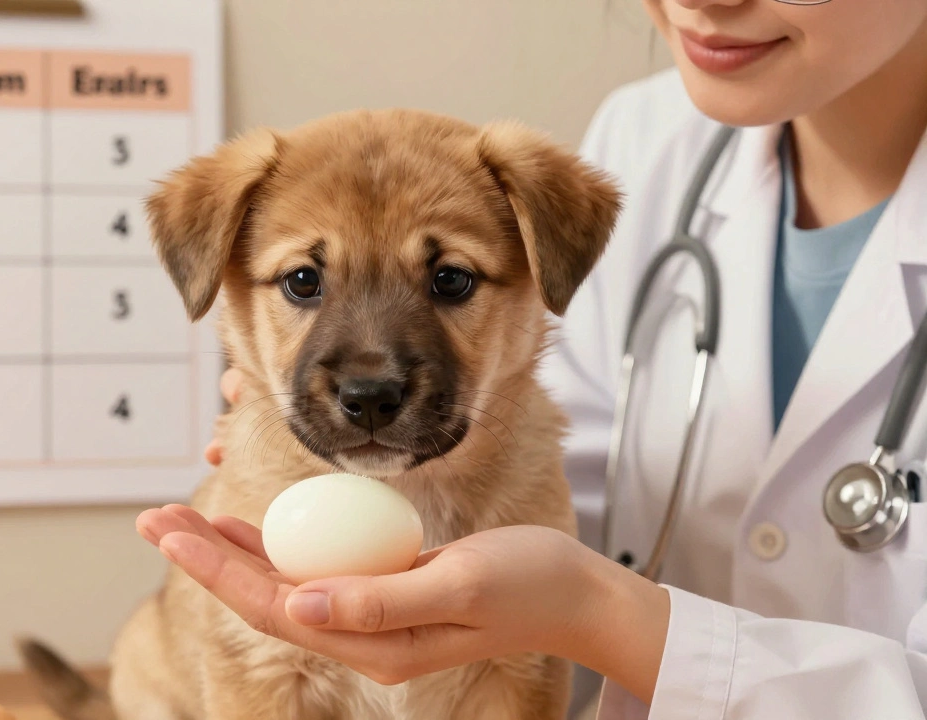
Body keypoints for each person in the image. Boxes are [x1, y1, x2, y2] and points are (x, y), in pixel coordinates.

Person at [136, 0, 927, 717]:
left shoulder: (546, 185)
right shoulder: (648, 138)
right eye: (303, 282)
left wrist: (595, 613)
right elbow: (583, 457)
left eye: (449, 280)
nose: (705, 3)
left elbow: (559, 577)